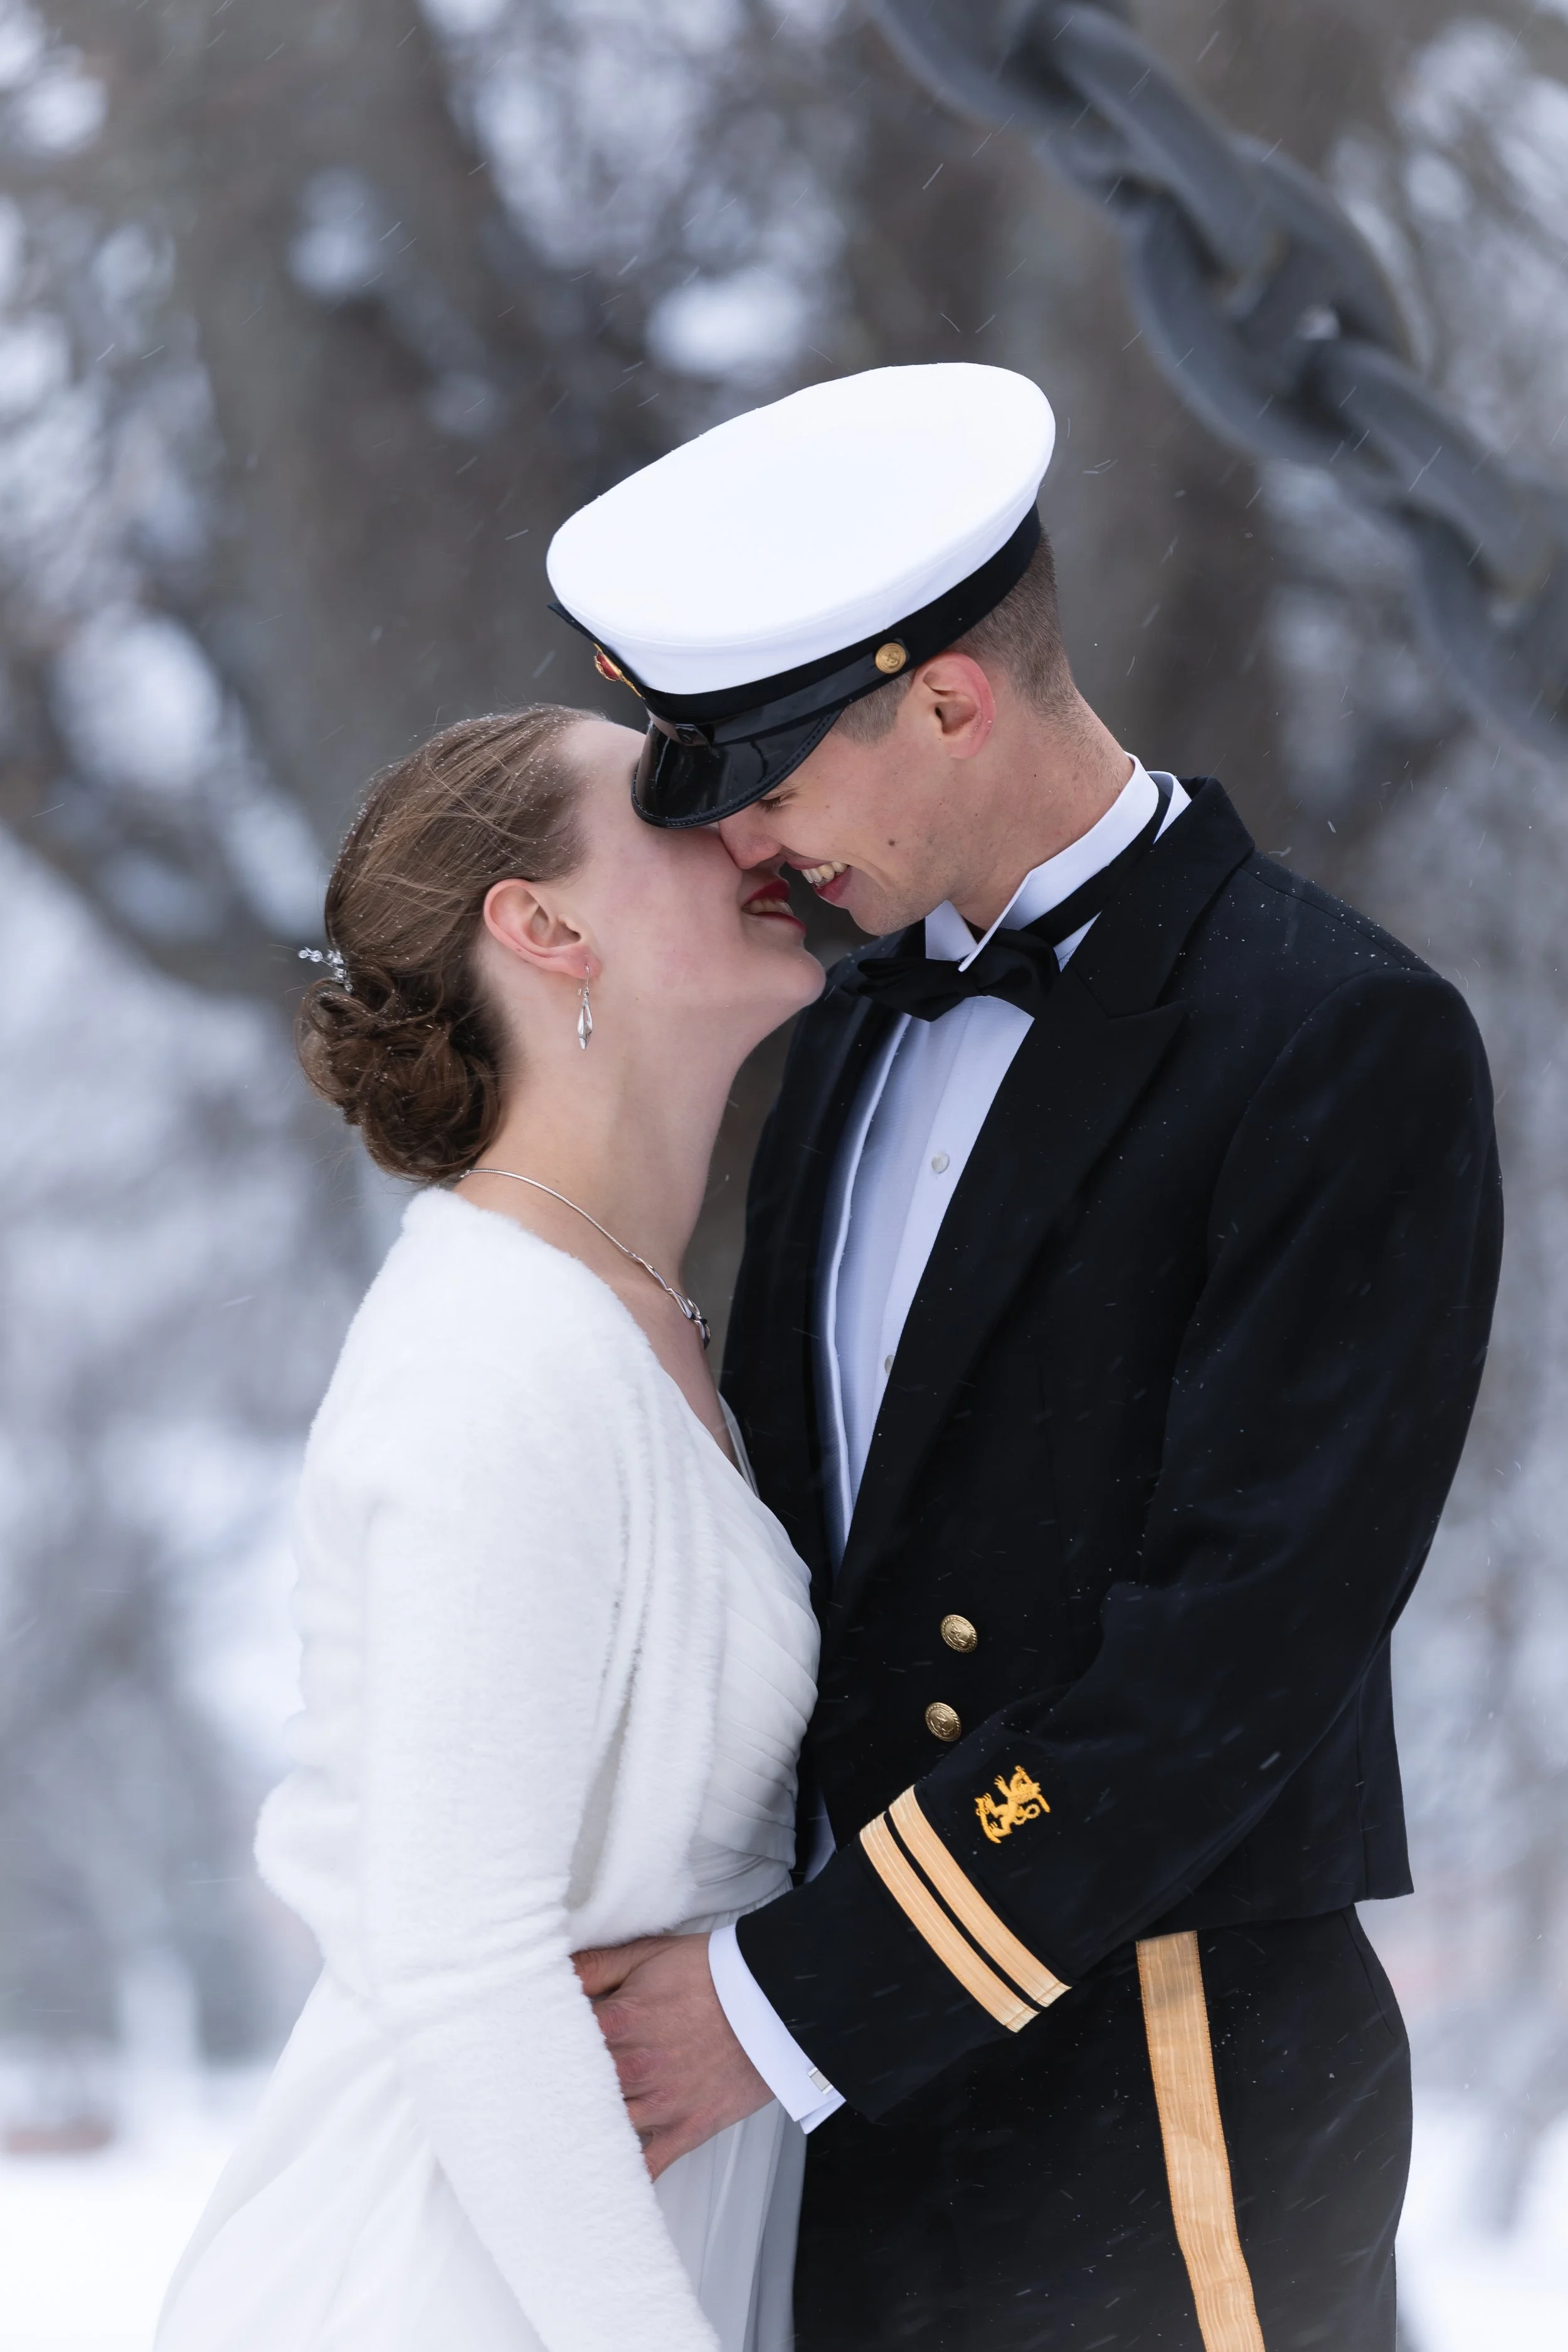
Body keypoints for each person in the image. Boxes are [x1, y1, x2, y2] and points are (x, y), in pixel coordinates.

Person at [557, 363, 1505, 2350]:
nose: (752, 854)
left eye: (772, 785)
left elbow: (1231, 1660)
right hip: (858, 2100)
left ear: (948, 700)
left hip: (1160, 2076)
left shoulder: (1335, 1038)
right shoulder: (838, 1039)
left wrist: (783, 2002)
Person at [154, 705, 827, 2352]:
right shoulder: (494, 1356)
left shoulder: (629, 1326)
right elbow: (461, 1954)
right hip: (445, 2281)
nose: (754, 826)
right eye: (678, 805)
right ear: (541, 923)